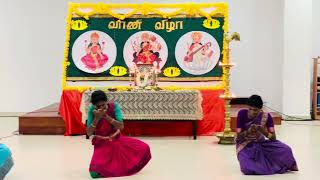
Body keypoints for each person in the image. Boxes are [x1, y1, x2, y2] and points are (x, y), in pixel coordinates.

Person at [86, 90, 151, 178]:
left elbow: (121, 126)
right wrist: (97, 118)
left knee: (144, 148)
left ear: (107, 101)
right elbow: (89, 133)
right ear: (94, 105)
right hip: (102, 143)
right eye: (98, 106)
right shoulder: (92, 110)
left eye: (103, 105)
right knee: (94, 173)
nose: (101, 108)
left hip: (117, 140)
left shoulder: (114, 106)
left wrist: (106, 116)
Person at [236, 95, 298, 175]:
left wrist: (263, 131)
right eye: (250, 109)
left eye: (255, 110)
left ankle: (265, 164)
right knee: (247, 169)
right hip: (245, 145)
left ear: (260, 109)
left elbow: (273, 138)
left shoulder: (266, 116)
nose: (252, 112)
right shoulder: (242, 113)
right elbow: (239, 137)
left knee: (286, 149)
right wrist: (248, 131)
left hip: (260, 143)